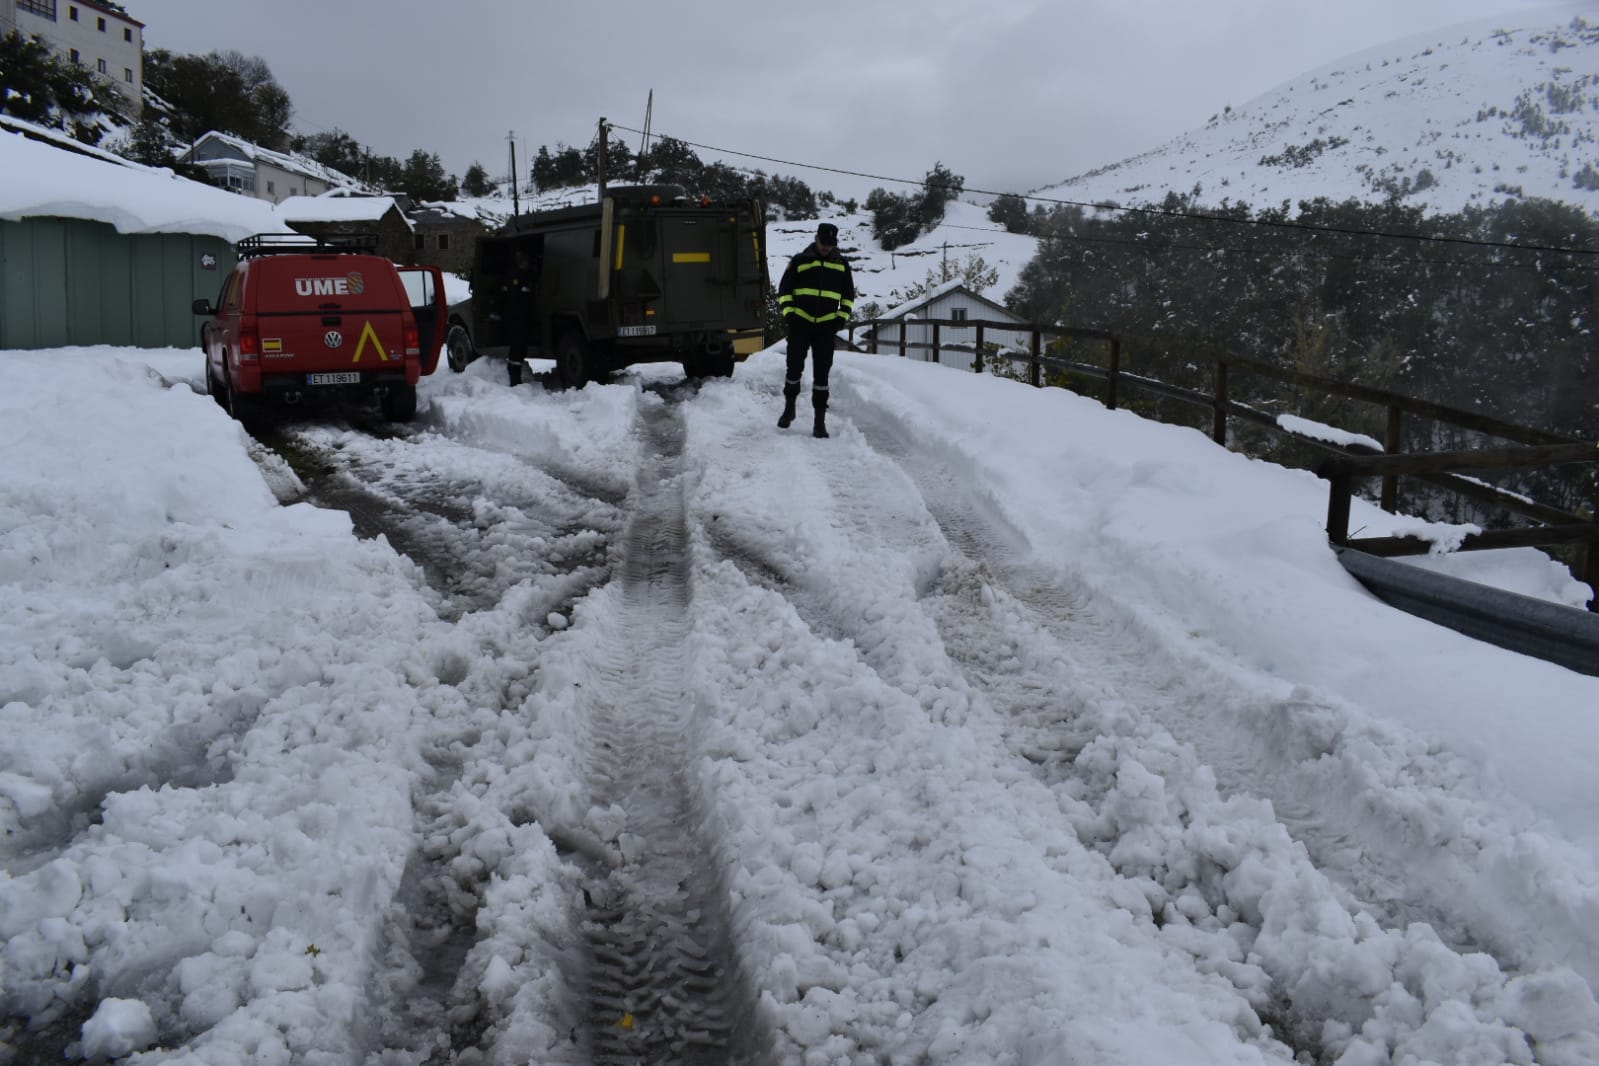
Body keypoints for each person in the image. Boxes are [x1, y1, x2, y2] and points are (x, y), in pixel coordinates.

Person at [776, 222, 855, 438]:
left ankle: (819, 423)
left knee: (822, 376)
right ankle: (789, 409)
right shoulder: (800, 260)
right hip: (800, 324)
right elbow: (784, 290)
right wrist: (790, 314)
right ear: (816, 238)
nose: (826, 248)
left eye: (830, 245)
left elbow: (848, 296)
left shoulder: (842, 264)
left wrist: (841, 318)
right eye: (823, 243)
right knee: (793, 369)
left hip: (826, 328)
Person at [502, 248, 537, 386]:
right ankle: (514, 379)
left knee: (520, 348)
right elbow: (514, 299)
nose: (526, 264)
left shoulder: (524, 275)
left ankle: (516, 377)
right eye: (524, 262)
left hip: (519, 318)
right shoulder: (515, 276)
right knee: (517, 348)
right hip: (516, 318)